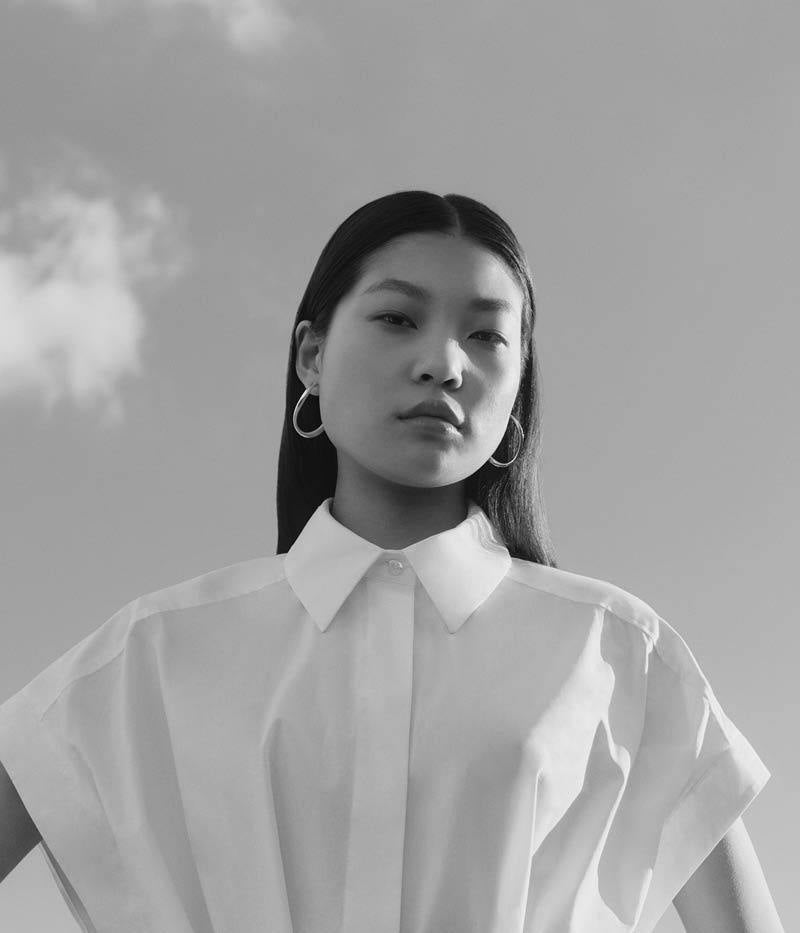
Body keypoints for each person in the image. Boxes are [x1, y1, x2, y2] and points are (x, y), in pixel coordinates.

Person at [0, 190, 783, 932]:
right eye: (398, 318)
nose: (443, 362)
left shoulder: (614, 653)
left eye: (486, 335)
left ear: (518, 387)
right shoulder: (155, 655)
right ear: (311, 355)